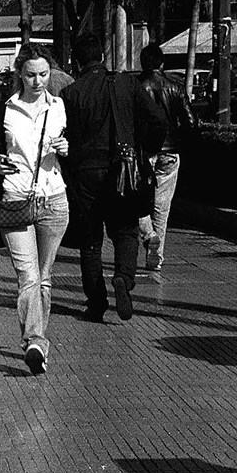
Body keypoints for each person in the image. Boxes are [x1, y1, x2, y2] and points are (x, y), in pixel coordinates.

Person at [60, 34, 167, 322]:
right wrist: (147, 150)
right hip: (124, 168)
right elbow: (158, 120)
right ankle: (123, 278)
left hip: (84, 172)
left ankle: (96, 302)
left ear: (77, 61)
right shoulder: (127, 84)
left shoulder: (71, 93)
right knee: (125, 230)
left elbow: (63, 136)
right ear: (103, 57)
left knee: (91, 239)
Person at [0, 43, 69, 375]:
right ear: (20, 74)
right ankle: (35, 341)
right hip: (15, 199)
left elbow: (75, 145)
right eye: (31, 75)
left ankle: (37, 338)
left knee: (44, 278)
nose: (38, 81)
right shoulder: (4, 110)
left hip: (53, 199)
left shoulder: (62, 107)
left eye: (44, 75)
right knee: (28, 276)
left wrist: (66, 147)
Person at [136, 43, 197, 271]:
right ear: (162, 64)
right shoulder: (176, 87)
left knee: (135, 201)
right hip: (170, 152)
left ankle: (147, 234)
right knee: (162, 207)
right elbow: (192, 122)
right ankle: (157, 257)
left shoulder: (136, 87)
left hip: (142, 152)